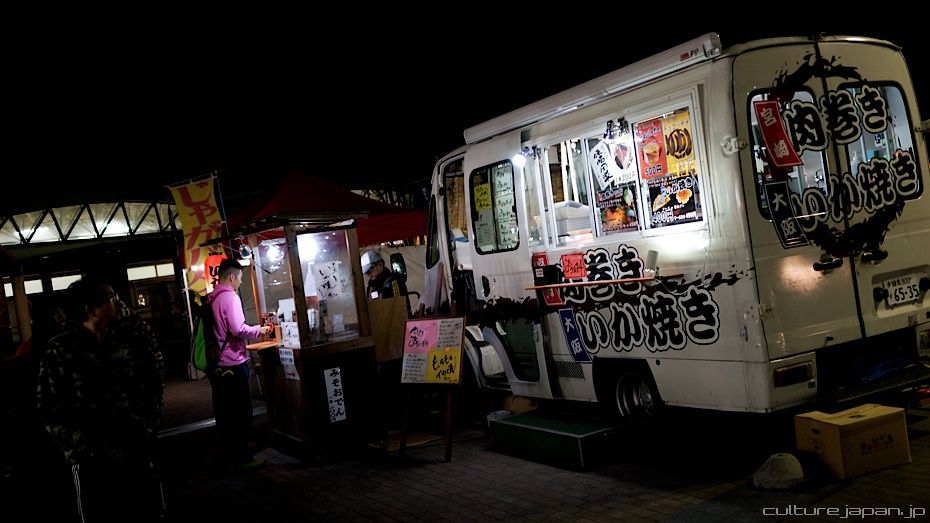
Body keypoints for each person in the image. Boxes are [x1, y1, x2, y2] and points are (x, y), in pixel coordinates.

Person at [36, 277, 165, 522]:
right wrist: (80, 446)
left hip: (135, 447)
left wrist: (146, 427)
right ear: (90, 309)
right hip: (92, 460)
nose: (117, 302)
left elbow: (152, 382)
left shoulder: (130, 337)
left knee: (146, 510)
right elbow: (50, 406)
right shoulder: (60, 349)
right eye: (110, 298)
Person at [207, 258, 271, 470]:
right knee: (241, 412)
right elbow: (238, 329)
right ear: (232, 277)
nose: (241, 282)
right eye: (240, 278)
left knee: (225, 414)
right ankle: (244, 457)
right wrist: (259, 330)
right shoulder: (230, 298)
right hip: (233, 362)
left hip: (218, 364)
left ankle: (229, 456)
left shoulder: (212, 298)